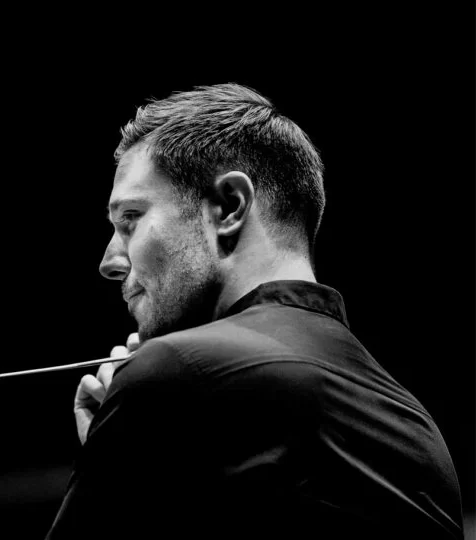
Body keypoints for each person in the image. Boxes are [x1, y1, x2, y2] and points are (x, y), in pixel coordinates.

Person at [46, 84, 464, 539]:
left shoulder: (176, 371)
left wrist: (115, 453)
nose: (109, 262)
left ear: (229, 205)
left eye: (131, 218)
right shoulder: (417, 429)